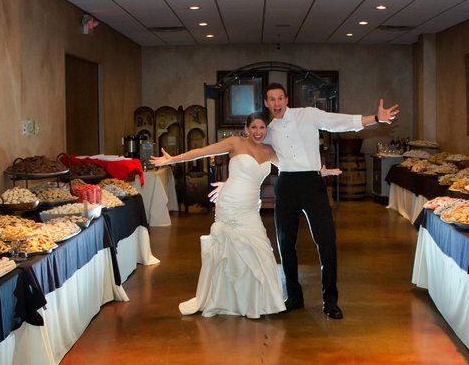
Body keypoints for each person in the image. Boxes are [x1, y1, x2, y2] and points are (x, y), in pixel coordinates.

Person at [262, 83, 399, 319]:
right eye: (271, 100)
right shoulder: (268, 131)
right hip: (285, 185)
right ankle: (294, 298)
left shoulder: (308, 115)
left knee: (326, 242)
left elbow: (340, 122)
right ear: (266, 103)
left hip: (311, 185)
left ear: (286, 99)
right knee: (285, 244)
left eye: (280, 98)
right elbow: (259, 156)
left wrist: (376, 118)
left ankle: (330, 301)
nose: (276, 103)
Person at [149, 114, 286, 319]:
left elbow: (294, 166)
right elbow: (202, 152)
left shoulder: (269, 151)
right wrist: (173, 159)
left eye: (262, 127)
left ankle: (255, 301)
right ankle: (226, 299)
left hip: (249, 208)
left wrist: (320, 171)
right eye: (254, 127)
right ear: (246, 129)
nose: (258, 132)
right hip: (230, 204)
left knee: (261, 249)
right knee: (229, 251)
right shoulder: (235, 143)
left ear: (267, 129)